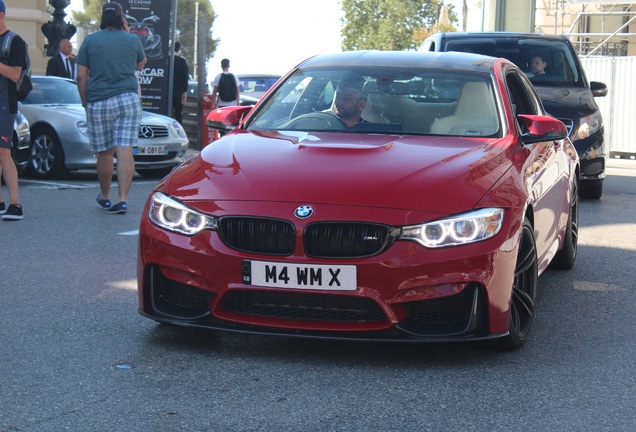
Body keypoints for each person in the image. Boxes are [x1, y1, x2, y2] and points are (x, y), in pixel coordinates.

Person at [75, 2, 146, 215]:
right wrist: (126, 33)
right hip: (127, 99)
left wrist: (85, 101)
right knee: (125, 149)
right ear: (120, 18)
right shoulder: (132, 39)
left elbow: (80, 76)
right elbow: (140, 64)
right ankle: (122, 199)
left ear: (102, 19)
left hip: (99, 101)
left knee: (104, 152)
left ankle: (105, 196)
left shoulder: (90, 41)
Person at [0, 0, 26, 221]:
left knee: (3, 152)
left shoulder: (14, 41)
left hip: (5, 103)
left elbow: (16, 74)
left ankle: (15, 205)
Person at [171, 41, 189, 124]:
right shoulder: (182, 62)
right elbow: (185, 77)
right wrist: (185, 92)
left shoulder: (167, 60)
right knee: (178, 113)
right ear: (179, 50)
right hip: (179, 91)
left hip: (167, 90)